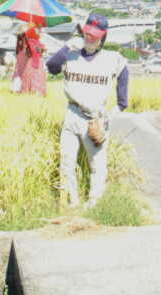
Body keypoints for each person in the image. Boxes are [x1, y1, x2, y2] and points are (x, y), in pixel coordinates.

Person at [46, 13, 129, 208]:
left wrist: (111, 114)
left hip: (95, 118)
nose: (89, 38)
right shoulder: (71, 55)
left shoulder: (112, 59)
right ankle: (71, 203)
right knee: (67, 162)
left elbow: (123, 90)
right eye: (87, 33)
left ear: (103, 37)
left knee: (97, 164)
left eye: (94, 35)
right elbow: (52, 67)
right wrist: (67, 46)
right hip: (72, 113)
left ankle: (94, 204)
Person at [12, 24, 47, 96]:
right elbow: (36, 50)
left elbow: (37, 50)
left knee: (24, 78)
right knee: (32, 78)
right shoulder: (29, 42)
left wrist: (41, 49)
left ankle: (23, 90)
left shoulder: (22, 43)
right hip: (32, 66)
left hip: (27, 66)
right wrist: (42, 49)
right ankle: (32, 91)